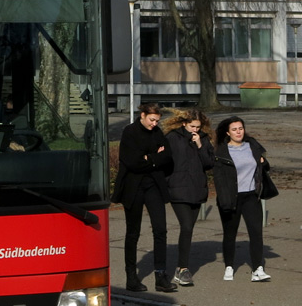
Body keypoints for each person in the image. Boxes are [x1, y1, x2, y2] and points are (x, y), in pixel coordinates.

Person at [113, 102, 176, 292]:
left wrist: (150, 159)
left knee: (160, 229)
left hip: (154, 186)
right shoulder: (130, 132)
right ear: (142, 115)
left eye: (157, 120)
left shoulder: (157, 133)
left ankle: (160, 275)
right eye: (151, 119)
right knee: (133, 232)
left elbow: (168, 157)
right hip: (133, 187)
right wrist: (153, 158)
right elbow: (132, 162)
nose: (155, 124)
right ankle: (131, 277)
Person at [211, 116, 272, 282]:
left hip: (251, 196)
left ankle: (257, 269)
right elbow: (218, 178)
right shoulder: (221, 151)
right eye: (234, 129)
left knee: (256, 232)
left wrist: (263, 162)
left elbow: (263, 165)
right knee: (230, 233)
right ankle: (229, 266)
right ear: (228, 133)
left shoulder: (252, 145)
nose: (238, 132)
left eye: (240, 128)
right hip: (231, 197)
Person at [162, 109, 214, 287]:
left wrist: (200, 145)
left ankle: (181, 267)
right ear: (184, 123)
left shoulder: (203, 139)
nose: (195, 130)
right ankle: (182, 269)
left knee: (189, 229)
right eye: (192, 126)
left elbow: (209, 163)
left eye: (198, 127)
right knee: (186, 226)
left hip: (197, 189)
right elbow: (165, 160)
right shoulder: (173, 137)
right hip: (178, 189)